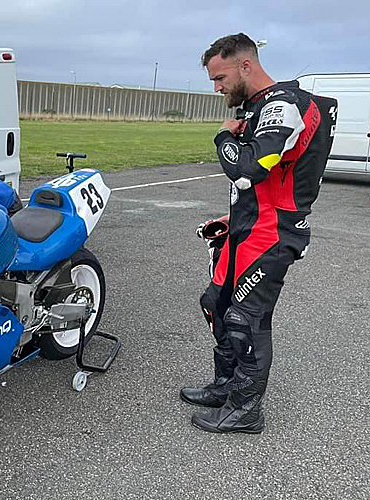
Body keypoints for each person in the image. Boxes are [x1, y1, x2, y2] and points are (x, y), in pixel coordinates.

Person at [180, 34, 337, 433]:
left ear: (245, 65)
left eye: (220, 77)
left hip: (273, 236)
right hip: (247, 230)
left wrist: (223, 137)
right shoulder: (255, 108)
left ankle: (246, 410)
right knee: (216, 305)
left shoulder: (284, 104)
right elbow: (261, 186)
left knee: (245, 321)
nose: (217, 88)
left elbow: (250, 169)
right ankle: (226, 386)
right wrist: (233, 220)